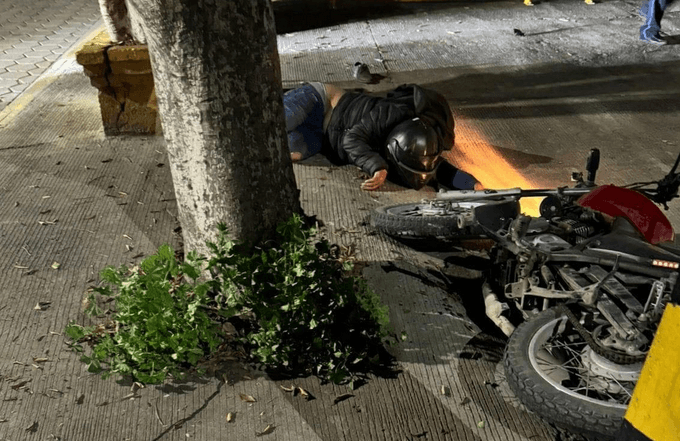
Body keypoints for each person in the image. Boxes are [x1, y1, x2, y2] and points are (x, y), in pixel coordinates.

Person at [283, 82, 481, 192]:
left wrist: (474, 185)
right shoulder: (391, 113)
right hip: (321, 102)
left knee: (285, 153)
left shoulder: (415, 147)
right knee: (276, 123)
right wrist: (378, 168)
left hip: (320, 138)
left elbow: (439, 169)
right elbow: (352, 139)